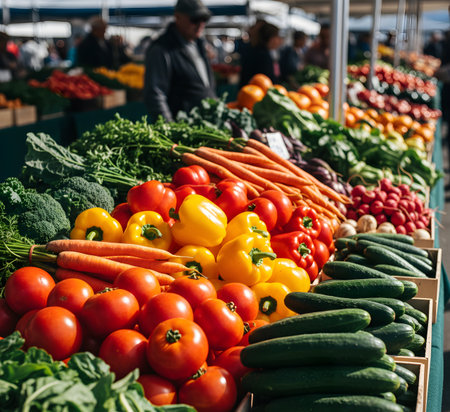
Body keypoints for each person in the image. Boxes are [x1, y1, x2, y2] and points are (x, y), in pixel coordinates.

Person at [144, 0, 216, 122]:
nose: (200, 24)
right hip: (184, 130)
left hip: (206, 126)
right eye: (195, 19)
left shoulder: (198, 43)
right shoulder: (162, 49)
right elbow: (155, 94)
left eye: (204, 19)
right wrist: (170, 128)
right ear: (177, 17)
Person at [239, 21, 283, 87]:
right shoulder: (263, 56)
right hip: (255, 94)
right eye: (278, 37)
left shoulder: (257, 51)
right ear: (272, 39)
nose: (280, 41)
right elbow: (266, 81)